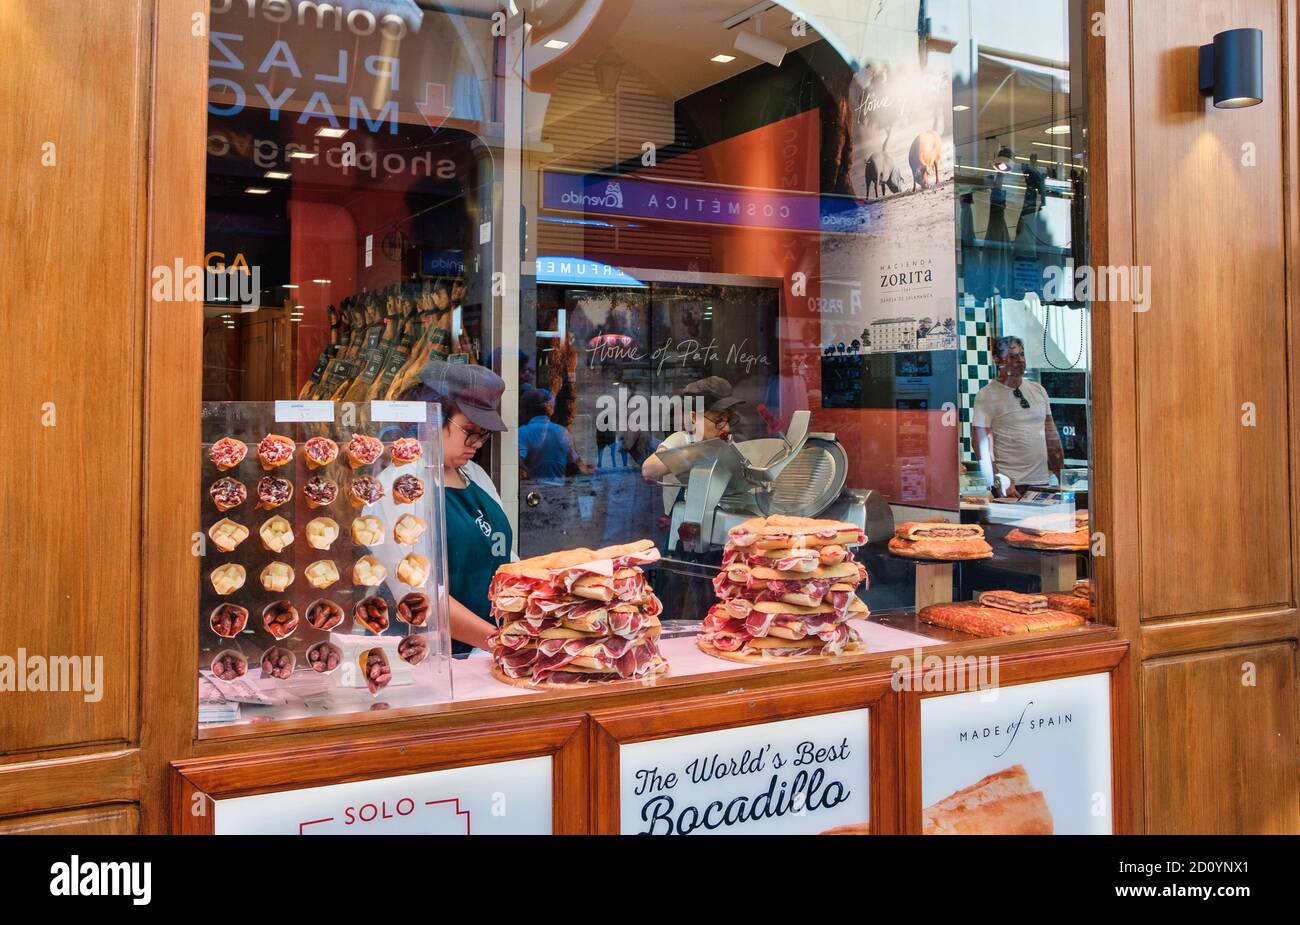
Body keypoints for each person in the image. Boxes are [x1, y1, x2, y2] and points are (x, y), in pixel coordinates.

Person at [401, 363, 512, 653]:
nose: (476, 443)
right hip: (425, 658)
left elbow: (504, 557)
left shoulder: (476, 475)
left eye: (483, 435)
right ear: (433, 417)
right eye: (469, 431)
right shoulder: (403, 485)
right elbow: (418, 592)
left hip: (485, 652)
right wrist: (501, 643)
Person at [971, 336, 1065, 498]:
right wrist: (998, 480)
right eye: (1013, 357)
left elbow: (1052, 438)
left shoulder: (1038, 390)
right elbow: (981, 444)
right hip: (1011, 485)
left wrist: (1061, 477)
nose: (1020, 360)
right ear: (997, 360)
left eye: (1022, 355)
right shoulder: (986, 395)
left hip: (1041, 482)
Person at [641, 376, 743, 482]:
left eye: (728, 419)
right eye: (718, 421)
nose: (726, 428)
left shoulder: (723, 441)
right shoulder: (681, 439)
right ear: (694, 417)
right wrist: (696, 451)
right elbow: (648, 469)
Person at [518, 387, 591, 485]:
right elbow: (576, 462)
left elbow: (519, 463)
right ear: (550, 409)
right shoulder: (562, 432)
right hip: (557, 490)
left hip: (532, 493)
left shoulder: (522, 432)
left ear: (526, 410)